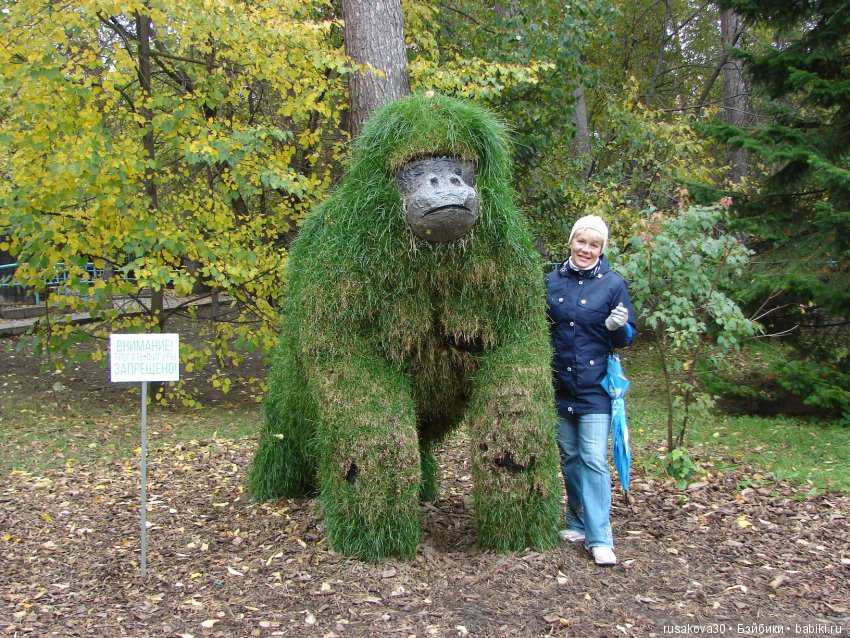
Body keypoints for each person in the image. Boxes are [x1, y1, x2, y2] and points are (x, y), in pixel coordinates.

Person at [545, 215, 636, 566]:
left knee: (594, 459)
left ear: (602, 249)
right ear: (571, 242)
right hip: (560, 386)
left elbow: (626, 337)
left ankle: (600, 538)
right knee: (570, 457)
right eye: (581, 241)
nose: (586, 249)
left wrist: (618, 328)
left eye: (594, 244)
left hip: (595, 388)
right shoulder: (551, 281)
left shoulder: (613, 284)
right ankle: (578, 521)